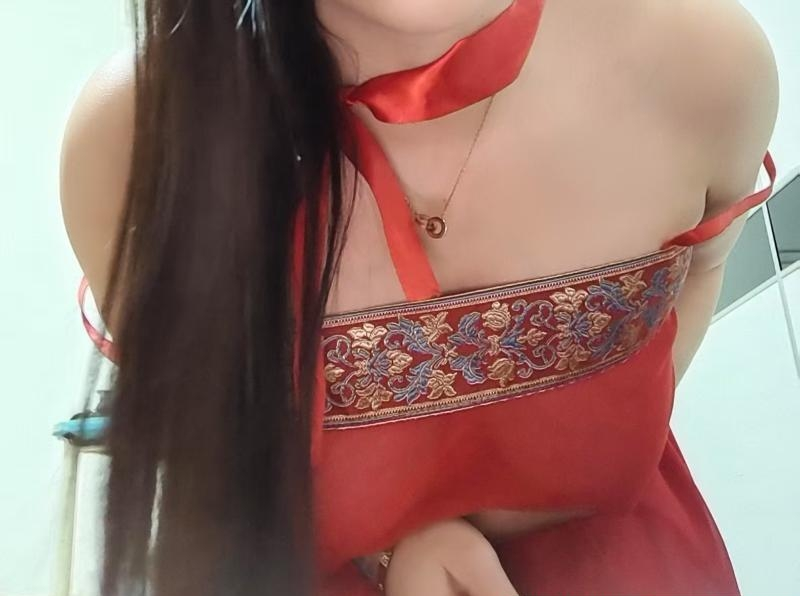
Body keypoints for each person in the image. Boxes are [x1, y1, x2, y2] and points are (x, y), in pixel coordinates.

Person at [59, 0, 778, 594]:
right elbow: (208, 457)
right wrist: (390, 553)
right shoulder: (133, 149)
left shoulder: (705, 65)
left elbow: (698, 277)